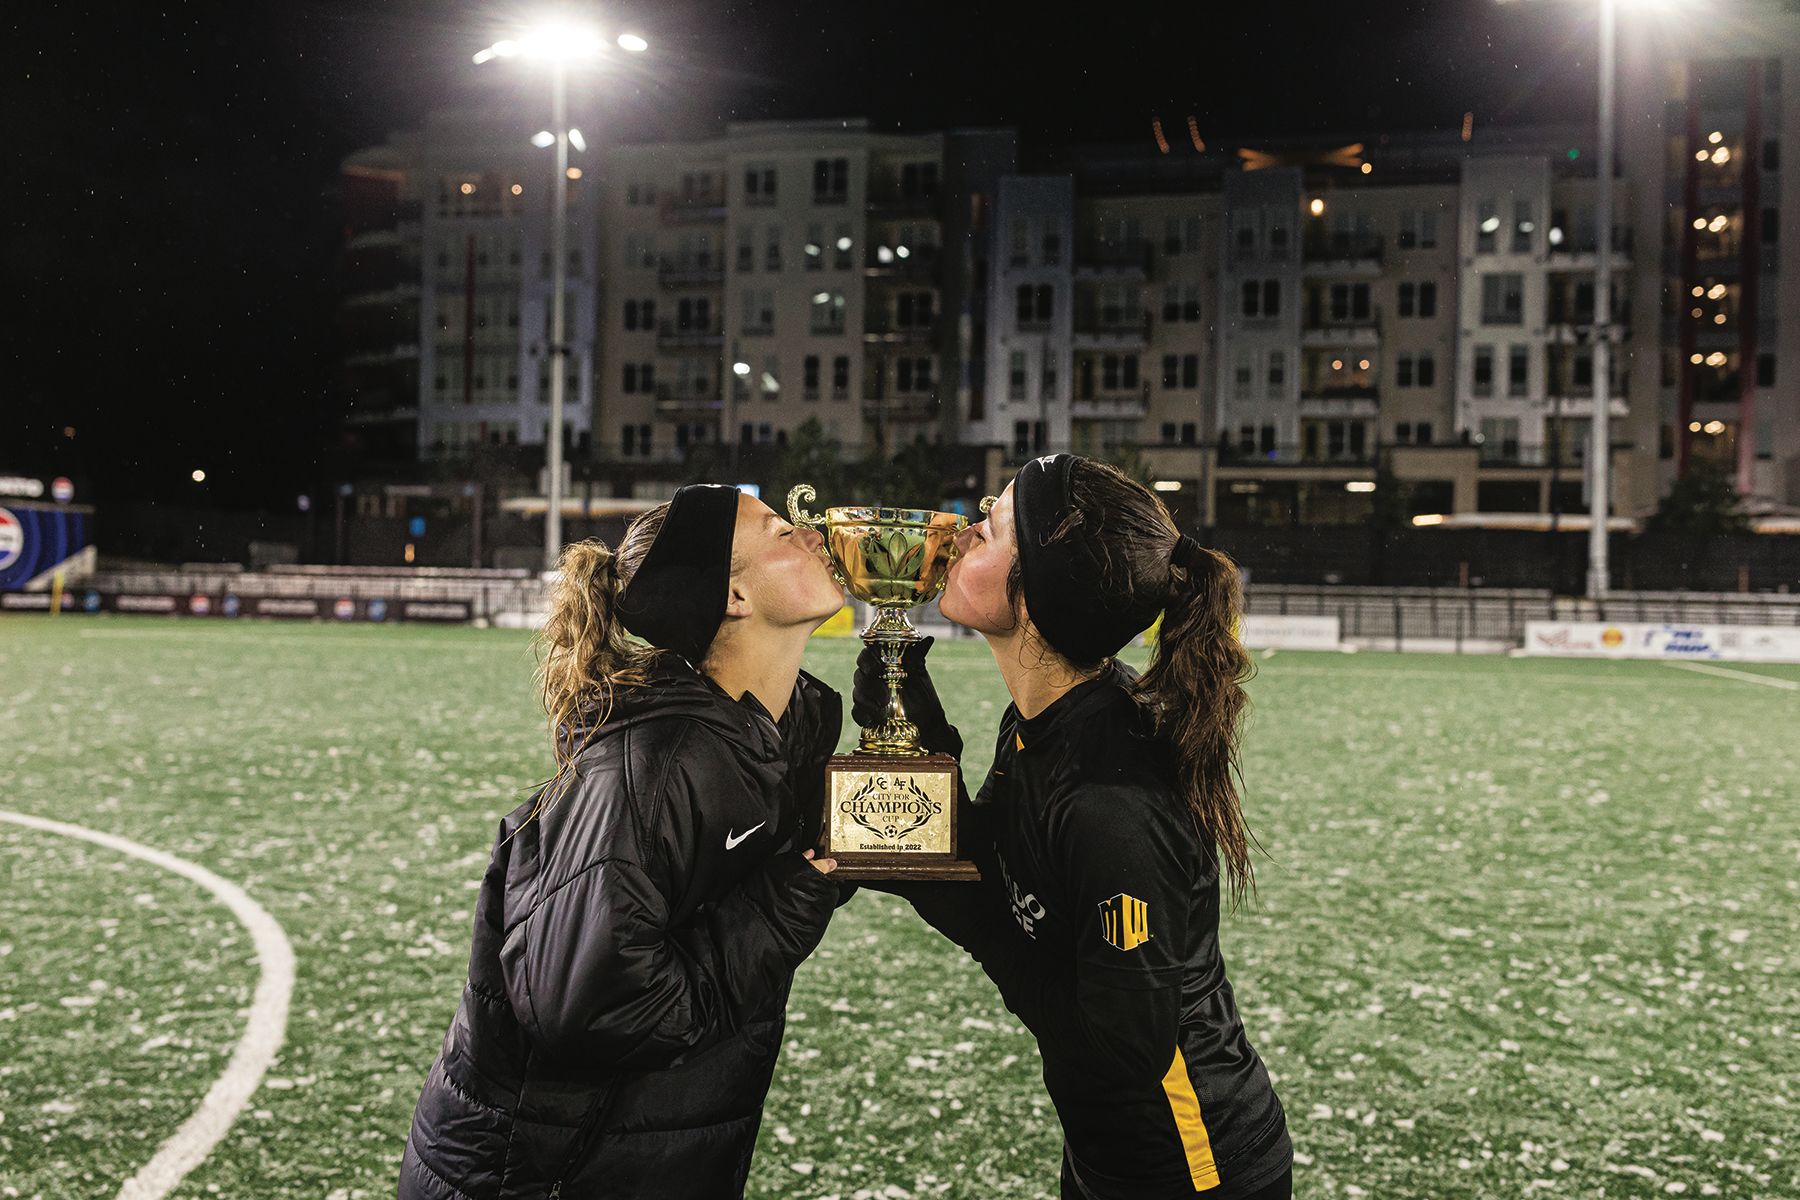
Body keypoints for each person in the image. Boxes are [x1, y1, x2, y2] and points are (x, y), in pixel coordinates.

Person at [856, 454, 1292, 1199]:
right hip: (1110, 1153)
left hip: (1194, 1169)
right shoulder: (1043, 720)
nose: (960, 536)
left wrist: (978, 923)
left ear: (1034, 599)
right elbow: (997, 857)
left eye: (989, 530)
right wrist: (919, 745)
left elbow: (1122, 1048)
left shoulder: (1111, 805)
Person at [400, 484, 850, 1200]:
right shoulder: (653, 764)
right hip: (541, 1178)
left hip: (636, 1159)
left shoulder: (770, 732)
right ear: (734, 595)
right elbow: (590, 1005)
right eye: (779, 532)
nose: (810, 532)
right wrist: (778, 911)